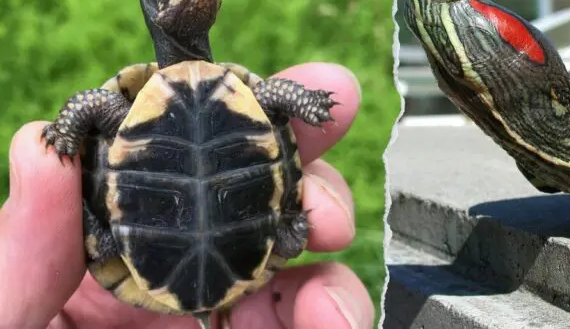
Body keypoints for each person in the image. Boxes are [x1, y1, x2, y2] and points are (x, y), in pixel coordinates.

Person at [0, 62, 374, 329]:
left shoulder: (120, 112)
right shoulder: (247, 97)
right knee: (293, 235)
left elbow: (92, 105)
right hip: (233, 266)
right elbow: (270, 102)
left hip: (140, 255)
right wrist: (305, 104)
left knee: (295, 235)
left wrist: (66, 133)